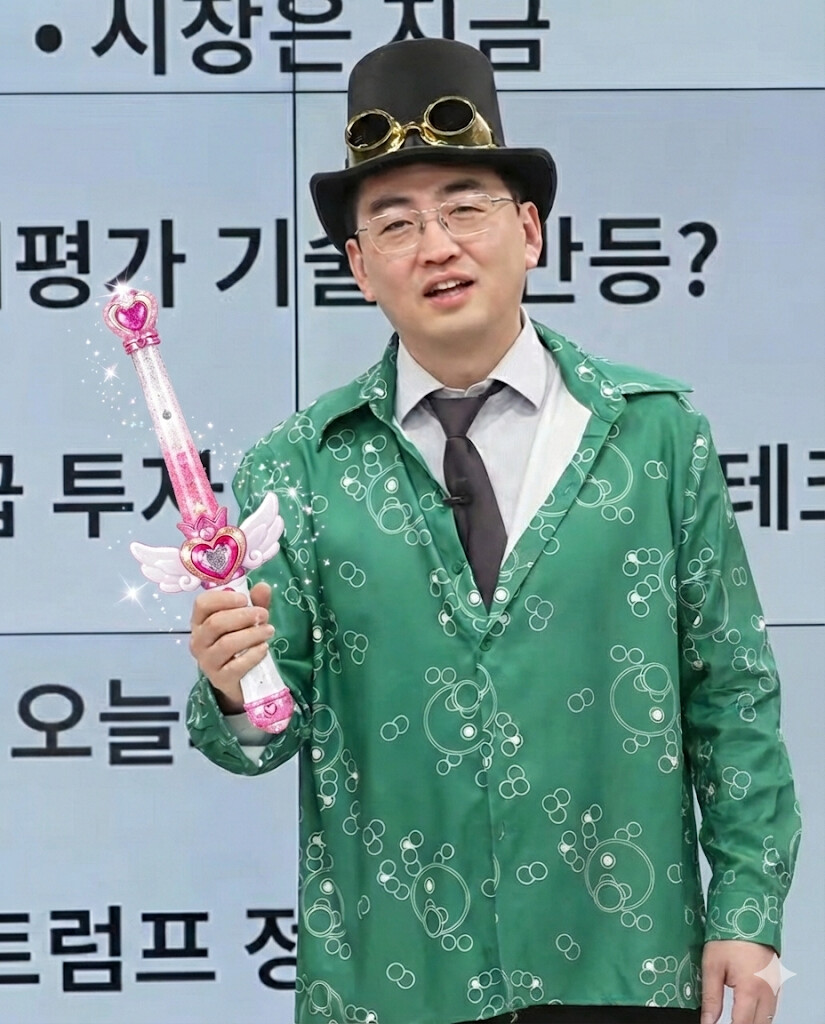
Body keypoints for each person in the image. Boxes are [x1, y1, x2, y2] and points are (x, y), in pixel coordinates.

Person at [187, 38, 800, 1024]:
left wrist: (747, 909)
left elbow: (730, 690)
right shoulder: (296, 470)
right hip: (393, 979)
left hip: (623, 963)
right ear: (358, 267)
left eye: (464, 208)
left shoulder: (652, 437)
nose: (436, 246)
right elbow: (263, 735)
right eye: (395, 222)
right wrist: (233, 683)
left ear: (529, 230)